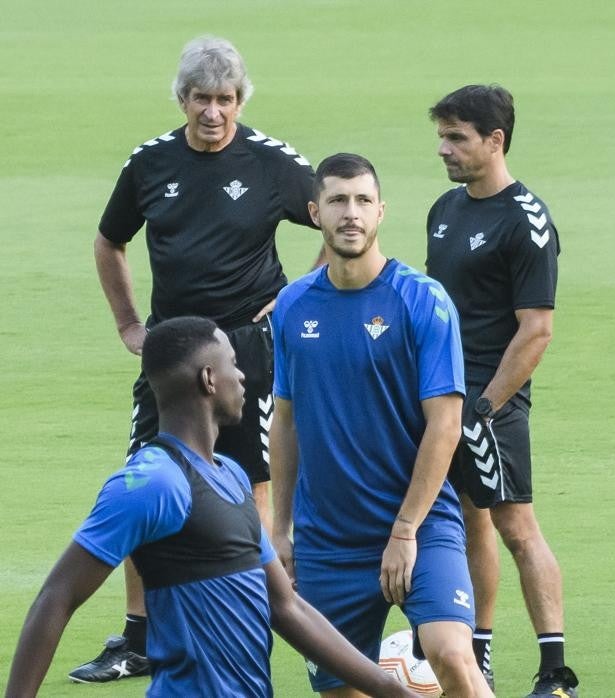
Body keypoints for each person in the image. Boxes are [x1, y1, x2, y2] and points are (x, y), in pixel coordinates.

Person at [7, 317, 421, 697]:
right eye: (233, 365)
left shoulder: (231, 476)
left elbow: (286, 606)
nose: (242, 377)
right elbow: (57, 594)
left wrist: (389, 688)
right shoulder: (154, 482)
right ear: (208, 378)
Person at [81, 35, 323, 682]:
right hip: (173, 348)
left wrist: (300, 295)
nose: (212, 111)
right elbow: (109, 243)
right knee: (145, 473)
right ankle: (137, 637)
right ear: (181, 99)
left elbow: (339, 218)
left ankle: (264, 614)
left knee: (253, 482)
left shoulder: (271, 163)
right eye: (199, 98)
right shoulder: (151, 163)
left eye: (223, 99)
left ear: (239, 98)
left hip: (246, 348)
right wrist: (130, 323)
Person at [268, 153, 493, 697]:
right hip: (328, 541)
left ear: (381, 212)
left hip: (419, 524)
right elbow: (287, 421)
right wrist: (281, 527)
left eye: (363, 201)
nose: (351, 213)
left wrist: (404, 531)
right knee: (343, 688)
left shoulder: (422, 300)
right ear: (314, 211)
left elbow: (445, 425)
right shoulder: (293, 306)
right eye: (338, 201)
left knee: (451, 654)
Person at [425, 84, 578, 698]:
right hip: (443, 399)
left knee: (517, 525)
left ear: (495, 140)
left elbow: (536, 330)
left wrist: (486, 405)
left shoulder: (528, 222)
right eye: (441, 136)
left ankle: (555, 671)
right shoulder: (444, 210)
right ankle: (478, 655)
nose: (444, 149)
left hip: (493, 402)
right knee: (469, 523)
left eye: (456, 138)